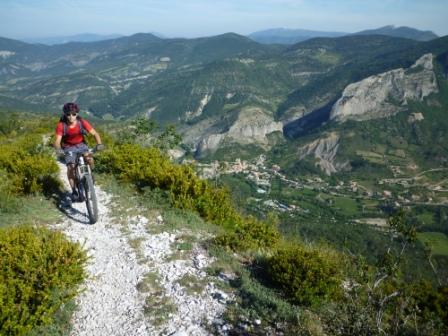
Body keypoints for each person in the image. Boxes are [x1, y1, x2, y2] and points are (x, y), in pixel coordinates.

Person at [54, 102, 104, 201]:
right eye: (68, 114)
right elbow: (57, 141)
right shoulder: (61, 125)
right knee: (71, 167)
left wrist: (99, 144)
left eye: (74, 114)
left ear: (77, 114)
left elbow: (95, 133)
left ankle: (90, 175)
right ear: (65, 114)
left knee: (89, 159)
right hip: (68, 147)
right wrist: (59, 150)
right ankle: (74, 190)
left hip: (81, 145)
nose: (71, 116)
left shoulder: (82, 122)